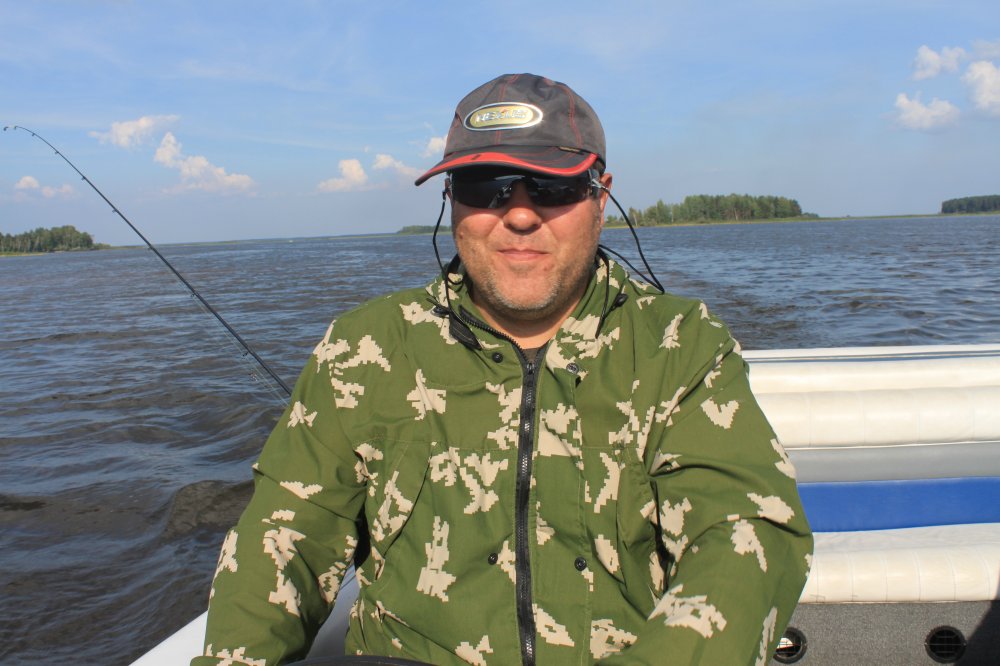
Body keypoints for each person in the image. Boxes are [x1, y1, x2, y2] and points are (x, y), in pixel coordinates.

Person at [194, 73, 813, 666]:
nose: (519, 215)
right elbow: (284, 540)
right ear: (451, 200)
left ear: (601, 196)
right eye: (486, 185)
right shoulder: (363, 348)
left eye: (552, 187)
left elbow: (743, 535)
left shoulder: (680, 346)